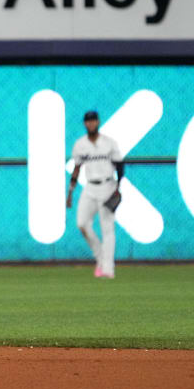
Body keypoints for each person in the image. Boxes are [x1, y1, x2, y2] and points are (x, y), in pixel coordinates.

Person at [66, 110, 124, 279]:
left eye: (93, 121)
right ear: (85, 124)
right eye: (88, 121)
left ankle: (108, 268)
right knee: (82, 223)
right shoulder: (80, 144)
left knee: (107, 228)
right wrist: (70, 191)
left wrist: (118, 187)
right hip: (90, 187)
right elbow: (77, 168)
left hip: (108, 185)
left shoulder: (109, 143)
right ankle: (100, 257)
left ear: (98, 122)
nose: (91, 124)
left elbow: (120, 165)